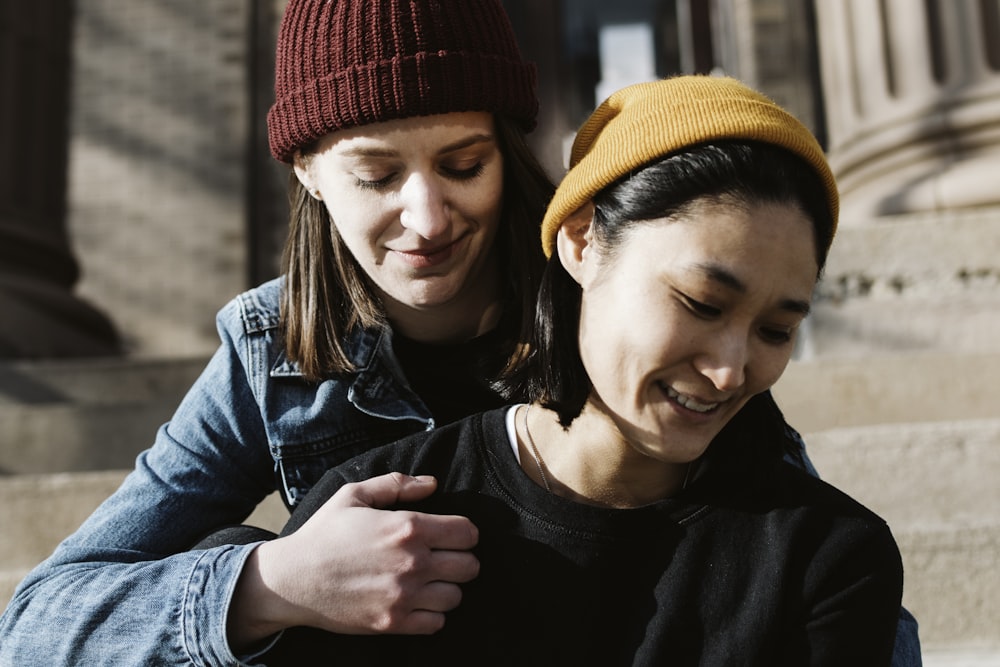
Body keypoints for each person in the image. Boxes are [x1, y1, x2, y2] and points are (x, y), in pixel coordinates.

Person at [253, 75, 906, 665]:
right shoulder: (380, 528)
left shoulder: (826, 556)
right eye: (701, 303)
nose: (731, 369)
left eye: (776, 329)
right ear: (581, 240)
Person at [0, 0, 553, 663]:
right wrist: (276, 584)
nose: (428, 219)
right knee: (225, 552)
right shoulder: (271, 351)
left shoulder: (600, 302)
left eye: (464, 165)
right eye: (376, 175)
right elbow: (35, 626)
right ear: (308, 170)